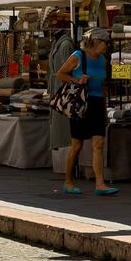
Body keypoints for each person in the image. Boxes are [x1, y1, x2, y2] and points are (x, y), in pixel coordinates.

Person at [57, 30, 118, 196]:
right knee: (77, 145)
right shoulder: (78, 56)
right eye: (106, 43)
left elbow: (102, 86)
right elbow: (60, 74)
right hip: (80, 102)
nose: (108, 46)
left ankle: (100, 184)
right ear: (96, 42)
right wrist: (76, 80)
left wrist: (104, 109)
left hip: (97, 103)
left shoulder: (102, 60)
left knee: (98, 143)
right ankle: (68, 182)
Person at [45, 10, 76, 163]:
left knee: (64, 126)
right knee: (59, 125)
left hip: (63, 89)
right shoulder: (58, 44)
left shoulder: (65, 45)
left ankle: (68, 160)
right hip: (57, 88)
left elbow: (67, 70)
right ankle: (64, 159)